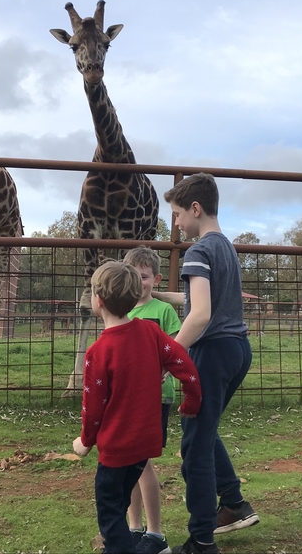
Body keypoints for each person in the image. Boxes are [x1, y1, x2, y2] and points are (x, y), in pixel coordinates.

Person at [154, 173, 259, 554]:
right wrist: (156, 294)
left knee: (194, 450)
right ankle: (232, 502)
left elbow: (199, 317)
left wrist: (167, 359)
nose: (177, 223)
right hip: (237, 350)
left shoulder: (197, 252)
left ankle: (201, 540)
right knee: (204, 429)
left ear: (195, 209)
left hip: (210, 353)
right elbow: (197, 300)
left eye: (179, 214)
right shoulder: (225, 247)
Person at [72, 261, 202, 554]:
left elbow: (93, 409)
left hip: (116, 450)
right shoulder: (151, 333)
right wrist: (191, 401)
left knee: (110, 512)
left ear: (99, 301)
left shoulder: (98, 352)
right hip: (144, 445)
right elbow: (186, 366)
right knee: (119, 501)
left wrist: (85, 442)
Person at [122, 246, 182, 554]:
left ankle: (156, 535)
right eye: (132, 275)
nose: (138, 281)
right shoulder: (123, 312)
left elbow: (176, 351)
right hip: (128, 399)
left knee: (142, 462)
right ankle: (134, 529)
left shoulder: (163, 312)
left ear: (156, 279)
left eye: (144, 276)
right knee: (129, 463)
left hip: (156, 397)